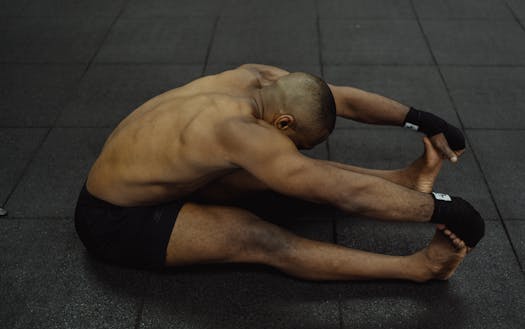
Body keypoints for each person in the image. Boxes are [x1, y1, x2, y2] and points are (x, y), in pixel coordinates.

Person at [74, 64, 484, 282]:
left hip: (141, 179)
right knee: (261, 237)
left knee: (278, 173)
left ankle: (402, 182)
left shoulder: (257, 79)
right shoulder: (238, 133)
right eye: (296, 142)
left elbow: (341, 99)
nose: (292, 148)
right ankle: (417, 269)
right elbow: (342, 193)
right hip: (112, 220)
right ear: (284, 123)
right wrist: (445, 209)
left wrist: (422, 120)